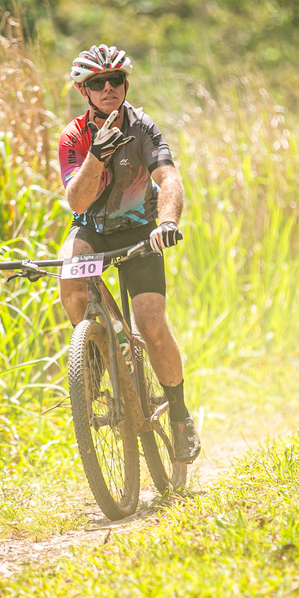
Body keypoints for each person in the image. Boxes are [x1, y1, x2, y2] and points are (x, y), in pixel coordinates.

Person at [56, 44, 200, 464]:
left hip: (140, 228)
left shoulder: (142, 126)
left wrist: (167, 223)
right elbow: (77, 203)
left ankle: (179, 414)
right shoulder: (73, 136)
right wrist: (96, 156)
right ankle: (96, 354)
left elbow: (168, 179)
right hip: (93, 229)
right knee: (71, 279)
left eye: (115, 79)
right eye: (98, 82)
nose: (108, 88)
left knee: (151, 325)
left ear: (126, 83)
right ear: (83, 91)